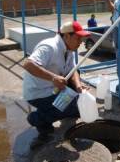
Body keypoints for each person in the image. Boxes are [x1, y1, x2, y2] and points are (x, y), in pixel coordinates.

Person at [22, 21, 90, 149]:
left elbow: (73, 69)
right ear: (66, 36)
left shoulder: (68, 49)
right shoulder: (49, 47)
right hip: (38, 93)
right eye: (78, 38)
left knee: (77, 104)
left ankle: (57, 109)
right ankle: (36, 119)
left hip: (54, 88)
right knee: (70, 106)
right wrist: (53, 77)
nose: (81, 41)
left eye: (81, 38)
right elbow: (28, 64)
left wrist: (78, 86)